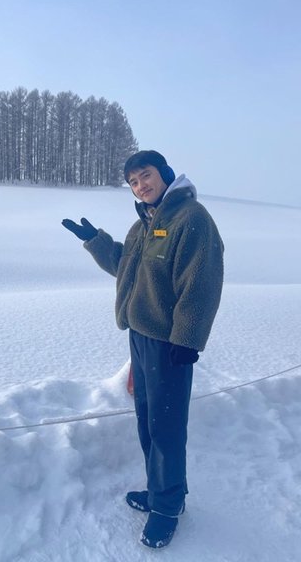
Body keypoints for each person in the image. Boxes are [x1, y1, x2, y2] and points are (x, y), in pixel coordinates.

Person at [62, 150, 224, 549]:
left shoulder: (191, 219)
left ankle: (167, 508)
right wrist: (96, 242)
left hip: (170, 343)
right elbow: (127, 267)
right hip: (140, 336)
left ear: (165, 174)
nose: (140, 186)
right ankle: (160, 491)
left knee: (166, 427)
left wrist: (187, 340)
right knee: (148, 421)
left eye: (146, 176)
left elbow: (201, 284)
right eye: (133, 182)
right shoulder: (144, 225)